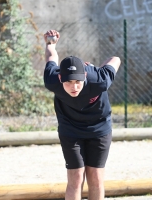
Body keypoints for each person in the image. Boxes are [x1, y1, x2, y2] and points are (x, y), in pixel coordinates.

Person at [43, 29, 121, 200]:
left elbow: (116, 59)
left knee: (96, 177)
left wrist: (97, 68)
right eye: (68, 82)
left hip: (99, 127)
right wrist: (50, 43)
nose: (74, 87)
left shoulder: (99, 79)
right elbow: (51, 57)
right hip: (70, 128)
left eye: (78, 82)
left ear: (85, 76)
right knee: (76, 178)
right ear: (60, 77)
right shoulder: (52, 80)